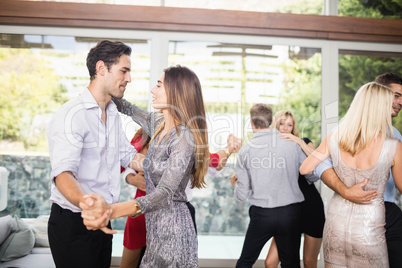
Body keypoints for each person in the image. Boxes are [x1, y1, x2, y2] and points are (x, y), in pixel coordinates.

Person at [80, 65, 210, 267]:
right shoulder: (158, 123)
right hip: (155, 228)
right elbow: (127, 108)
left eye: (159, 85)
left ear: (176, 92)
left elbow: (165, 193)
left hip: (174, 231)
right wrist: (104, 83)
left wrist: (112, 211)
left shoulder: (183, 138)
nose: (153, 90)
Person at [46, 40, 144, 268]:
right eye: (124, 70)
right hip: (75, 222)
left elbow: (128, 156)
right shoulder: (72, 115)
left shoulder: (111, 112)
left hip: (103, 219)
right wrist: (88, 204)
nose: (129, 78)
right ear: (101, 69)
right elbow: (63, 174)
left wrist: (167, 167)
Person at [300, 82, 402, 267]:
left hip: (335, 229)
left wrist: (343, 188)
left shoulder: (335, 137)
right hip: (369, 232)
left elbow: (305, 169)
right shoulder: (393, 146)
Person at [120, 129, 241, 268]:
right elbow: (126, 162)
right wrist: (131, 179)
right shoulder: (147, 133)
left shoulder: (188, 140)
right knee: (130, 263)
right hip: (142, 214)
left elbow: (215, 162)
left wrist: (229, 148)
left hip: (173, 216)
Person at [231, 103, 318, 268]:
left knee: (246, 261)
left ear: (251, 122)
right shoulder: (293, 144)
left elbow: (242, 195)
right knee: (291, 263)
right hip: (290, 215)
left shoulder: (245, 151)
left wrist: (235, 184)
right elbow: (312, 177)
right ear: (271, 121)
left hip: (262, 216)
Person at [265, 110, 325, 268]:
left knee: (309, 261)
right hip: (288, 211)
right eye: (282, 123)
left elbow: (319, 161)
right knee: (270, 262)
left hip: (311, 207)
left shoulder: (303, 142)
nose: (285, 128)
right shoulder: (270, 148)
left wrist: (298, 142)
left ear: (293, 128)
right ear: (275, 124)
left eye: (289, 125)